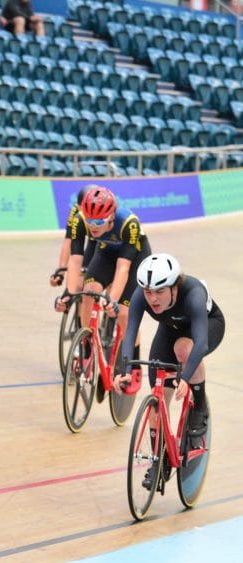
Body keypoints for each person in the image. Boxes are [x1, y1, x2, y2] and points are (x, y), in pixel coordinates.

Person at [114, 254, 224, 487]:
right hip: (171, 328)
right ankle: (159, 460)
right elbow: (130, 331)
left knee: (184, 349)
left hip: (207, 326)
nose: (152, 298)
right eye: (148, 292)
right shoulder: (140, 296)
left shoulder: (193, 295)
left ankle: (200, 406)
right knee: (157, 397)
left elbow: (201, 343)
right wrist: (124, 368)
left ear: (174, 287)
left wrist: (185, 378)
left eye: (159, 292)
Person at [55, 185, 151, 392]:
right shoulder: (79, 220)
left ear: (111, 216)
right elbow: (75, 260)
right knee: (89, 290)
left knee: (125, 313)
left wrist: (113, 301)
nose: (93, 227)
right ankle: (87, 347)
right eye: (90, 221)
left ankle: (133, 364)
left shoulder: (128, 224)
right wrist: (69, 294)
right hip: (106, 253)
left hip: (134, 258)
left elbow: (123, 268)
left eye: (98, 222)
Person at [50, 183, 97, 294]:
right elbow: (69, 241)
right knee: (78, 285)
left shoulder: (109, 212)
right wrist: (61, 270)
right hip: (92, 243)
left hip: (109, 245)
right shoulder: (76, 211)